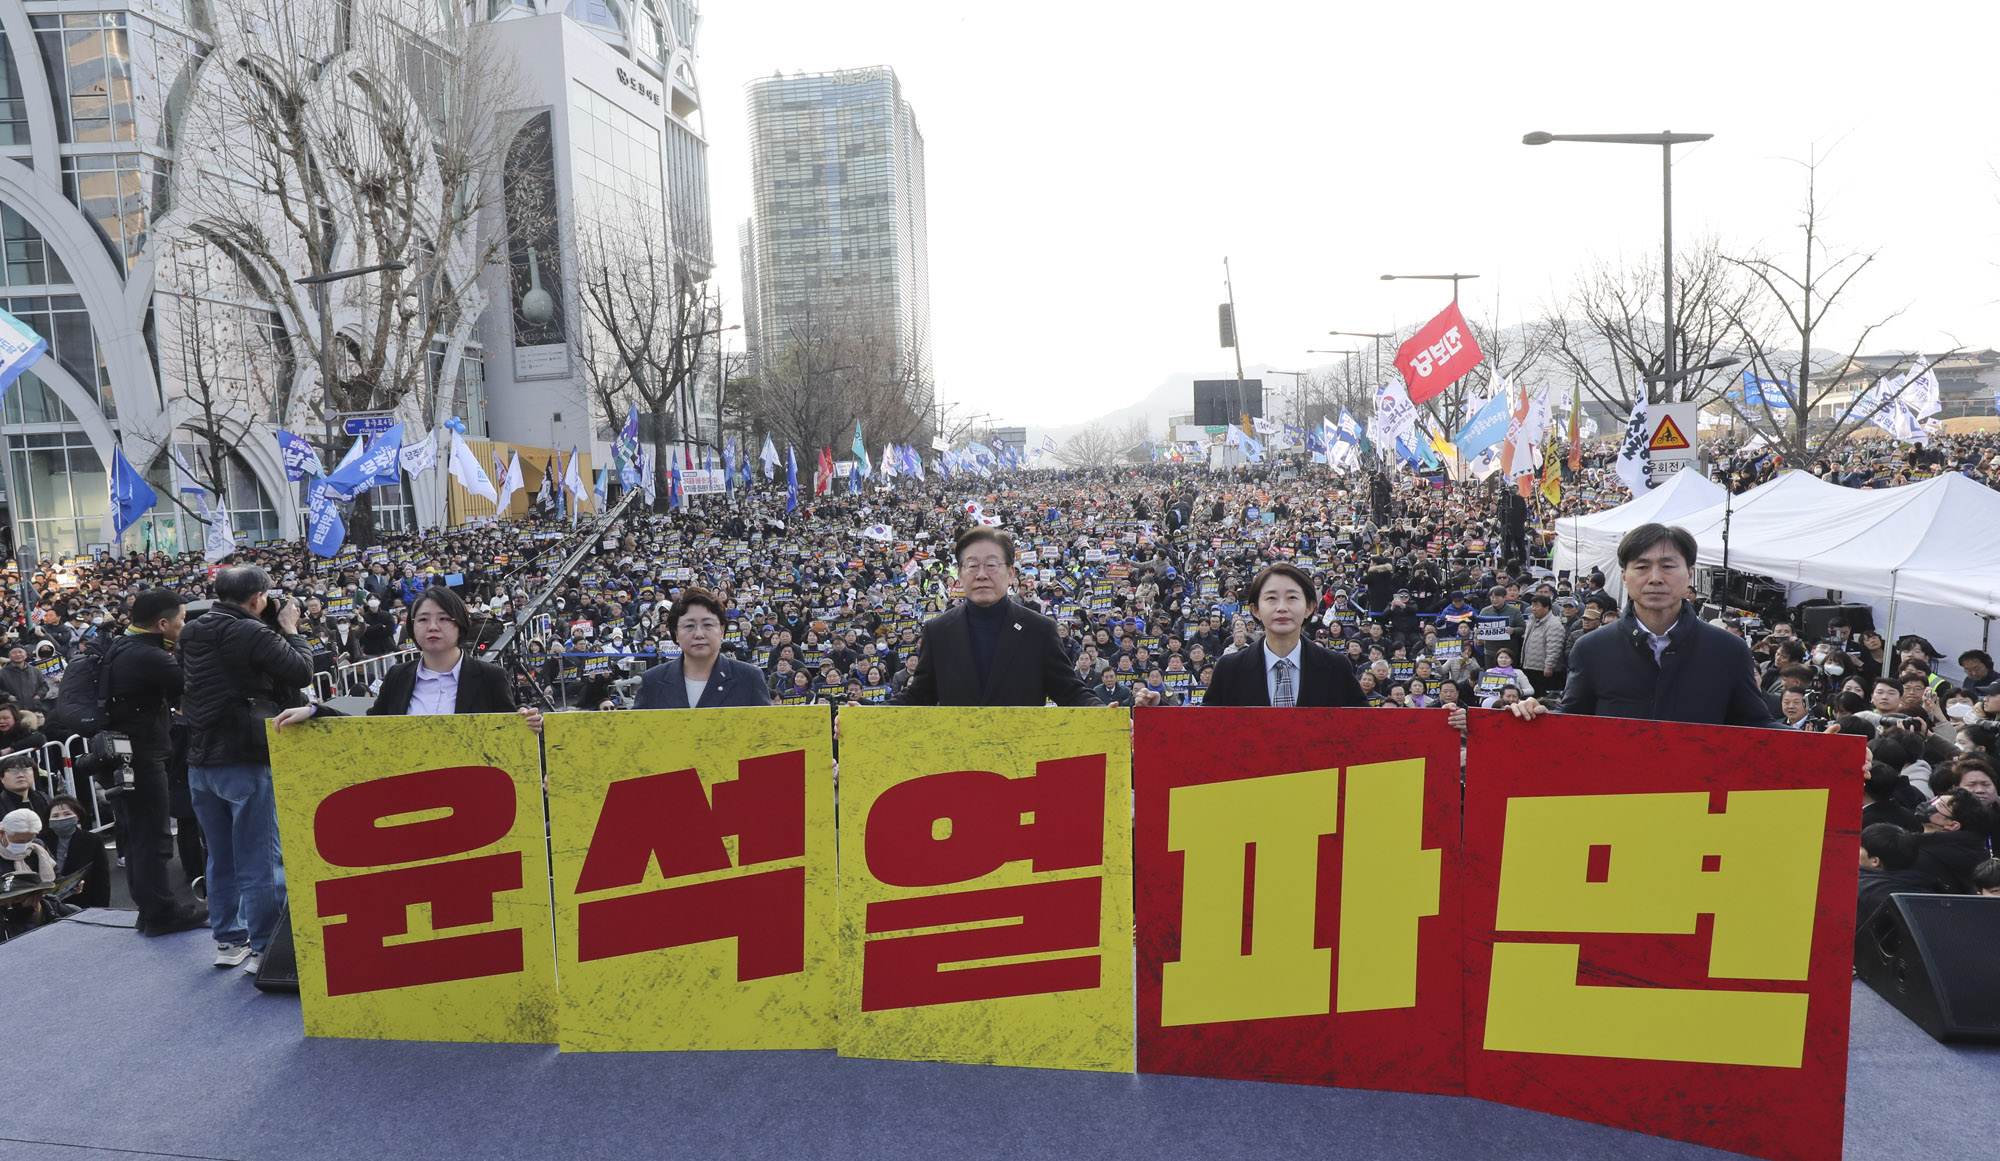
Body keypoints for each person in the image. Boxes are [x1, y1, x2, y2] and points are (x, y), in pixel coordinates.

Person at [1475, 524, 1781, 729]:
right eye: (1642, 567)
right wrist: (1535, 715)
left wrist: (1823, 742)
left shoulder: (1726, 649)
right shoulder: (1593, 649)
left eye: (1668, 566)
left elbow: (1757, 724)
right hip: (1618, 807)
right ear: (1624, 576)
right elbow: (1573, 722)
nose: (1655, 577)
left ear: (1689, 574)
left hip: (1700, 806)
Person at [179, 566, 313, 973]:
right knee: (260, 858)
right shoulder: (252, 632)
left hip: (201, 759)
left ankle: (229, 941)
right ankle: (266, 947)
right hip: (245, 757)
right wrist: (289, 628)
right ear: (258, 597)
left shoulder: (192, 631)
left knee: (220, 857)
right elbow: (301, 670)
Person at [895, 528, 1122, 708]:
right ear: (961, 573)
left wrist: (1106, 714)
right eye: (972, 566)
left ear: (1011, 573)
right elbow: (918, 695)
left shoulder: (1039, 629)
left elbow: (1069, 691)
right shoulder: (938, 630)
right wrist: (861, 710)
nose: (982, 574)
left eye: (992, 565)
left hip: (1022, 757)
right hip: (958, 760)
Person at [102, 588, 207, 936]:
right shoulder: (150, 657)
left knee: (137, 835)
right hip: (143, 754)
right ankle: (162, 912)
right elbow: (193, 687)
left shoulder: (124, 645)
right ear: (162, 624)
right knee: (154, 835)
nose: (185, 626)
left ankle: (149, 908)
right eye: (181, 620)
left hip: (126, 752)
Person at [1201, 562, 1367, 708]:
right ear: (1255, 610)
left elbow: (1364, 726)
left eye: (1292, 597)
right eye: (1271, 598)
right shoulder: (1229, 669)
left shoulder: (1336, 667)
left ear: (1309, 607)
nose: (1281, 607)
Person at [633, 587, 772, 709]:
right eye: (689, 626)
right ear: (675, 632)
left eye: (708, 625)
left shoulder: (749, 678)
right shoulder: (652, 681)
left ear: (722, 630)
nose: (699, 634)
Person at [44, 794, 107, 910]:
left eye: (67, 814)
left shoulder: (92, 840)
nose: (61, 818)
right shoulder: (41, 841)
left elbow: (101, 880)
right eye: (55, 816)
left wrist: (100, 910)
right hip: (48, 905)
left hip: (83, 902)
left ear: (77, 816)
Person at [0, 646, 48, 711]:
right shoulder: (2, 672)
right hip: (12, 709)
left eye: (20, 652)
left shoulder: (35, 671)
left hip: (33, 708)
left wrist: (38, 696)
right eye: (14, 653)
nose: (17, 654)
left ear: (25, 655)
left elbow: (44, 686)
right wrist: (8, 696)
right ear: (9, 657)